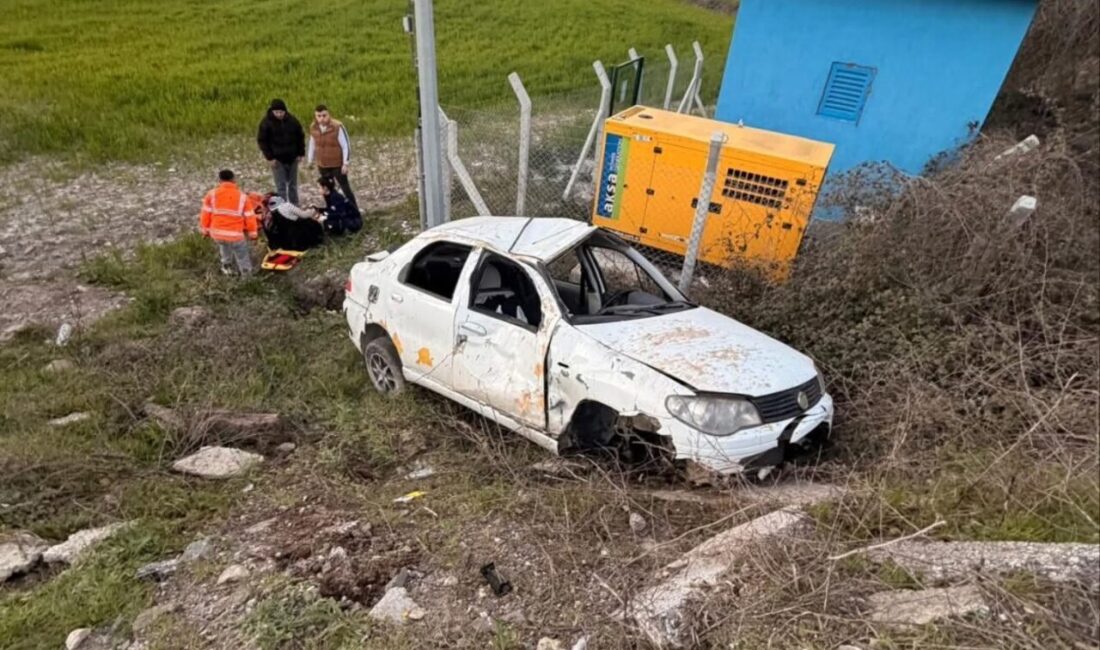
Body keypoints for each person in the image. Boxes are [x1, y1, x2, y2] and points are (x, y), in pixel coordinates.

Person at [199, 170, 258, 276]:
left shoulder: (211, 194)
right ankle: (247, 278)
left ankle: (227, 268)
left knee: (224, 246)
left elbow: (205, 215)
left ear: (219, 180)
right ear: (233, 180)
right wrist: (253, 234)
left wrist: (205, 231)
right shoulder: (242, 197)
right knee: (242, 256)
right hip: (235, 236)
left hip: (217, 234)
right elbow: (250, 217)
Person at [307, 104, 358, 211]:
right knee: (326, 188)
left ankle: (354, 209)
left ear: (328, 114)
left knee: (345, 187)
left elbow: (346, 145)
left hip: (337, 164)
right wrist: (310, 160)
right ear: (315, 116)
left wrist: (345, 163)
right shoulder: (313, 127)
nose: (321, 118)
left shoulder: (337, 126)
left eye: (324, 115)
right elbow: (312, 143)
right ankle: (332, 208)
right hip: (322, 164)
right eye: (319, 116)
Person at [257, 99, 306, 204]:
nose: (279, 114)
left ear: (285, 111)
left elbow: (300, 136)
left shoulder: (293, 121)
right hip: (277, 160)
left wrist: (301, 153)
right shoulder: (266, 123)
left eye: (281, 112)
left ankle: (295, 207)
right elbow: (262, 141)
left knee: (293, 185)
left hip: (293, 158)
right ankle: (283, 210)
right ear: (272, 111)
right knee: (281, 186)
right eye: (276, 112)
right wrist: (270, 158)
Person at [259, 194, 324, 251]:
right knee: (309, 222)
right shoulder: (286, 206)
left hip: (282, 243)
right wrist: (313, 209)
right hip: (296, 239)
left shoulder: (265, 215)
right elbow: (304, 215)